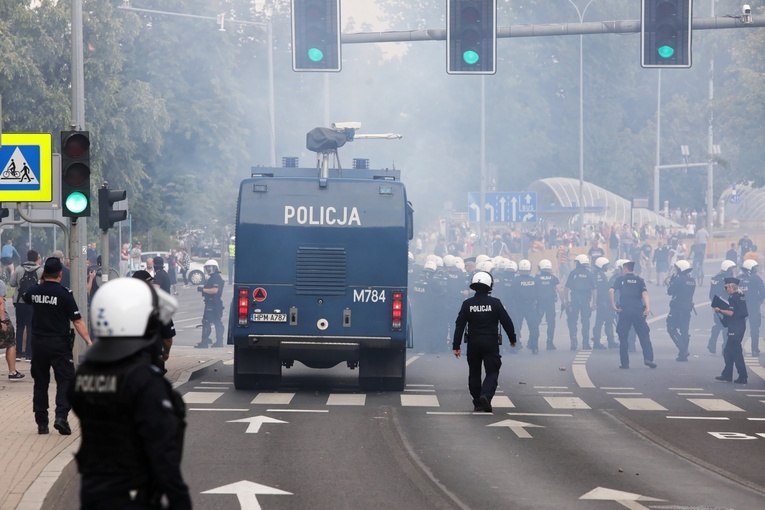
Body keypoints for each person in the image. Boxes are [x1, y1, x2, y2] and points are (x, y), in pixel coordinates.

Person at [69, 277, 191, 509]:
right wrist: (180, 500)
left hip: (93, 494)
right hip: (134, 496)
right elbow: (163, 453)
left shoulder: (84, 373)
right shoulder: (144, 381)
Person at [23, 257, 92, 435]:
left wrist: (41, 282)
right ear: (60, 273)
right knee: (66, 380)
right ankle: (61, 417)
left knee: (40, 382)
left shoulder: (34, 291)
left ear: (44, 273)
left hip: (38, 344)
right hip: (59, 344)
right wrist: (89, 341)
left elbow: (27, 297)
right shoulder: (64, 294)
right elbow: (77, 321)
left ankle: (41, 423)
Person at [452, 271, 516, 413]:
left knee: (474, 372)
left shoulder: (467, 304)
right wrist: (513, 338)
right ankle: (486, 395)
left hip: (473, 344)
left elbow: (460, 325)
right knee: (492, 371)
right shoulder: (495, 303)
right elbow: (507, 322)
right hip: (490, 343)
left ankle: (477, 402)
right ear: (490, 285)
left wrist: (456, 346)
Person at [610, 261, 657, 369]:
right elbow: (645, 294)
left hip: (624, 311)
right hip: (637, 311)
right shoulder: (639, 280)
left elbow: (611, 291)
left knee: (623, 336)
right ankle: (648, 359)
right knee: (644, 335)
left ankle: (625, 363)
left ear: (625, 269)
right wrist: (648, 308)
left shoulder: (620, 279)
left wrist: (613, 306)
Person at [132, 269, 177, 374]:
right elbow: (168, 339)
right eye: (150, 283)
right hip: (151, 357)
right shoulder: (159, 306)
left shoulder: (123, 304)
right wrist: (166, 353)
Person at [9, 249, 43, 361]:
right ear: (36, 259)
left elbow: (12, 283)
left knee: (19, 327)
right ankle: (29, 353)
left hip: (20, 302)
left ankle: (18, 353)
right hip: (33, 302)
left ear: (27, 257)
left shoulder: (19, 269)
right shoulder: (40, 271)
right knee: (31, 327)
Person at [714, 277, 748, 384]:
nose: (725, 289)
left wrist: (719, 310)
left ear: (731, 287)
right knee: (728, 351)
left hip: (736, 327)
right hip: (739, 326)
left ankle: (742, 376)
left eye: (726, 287)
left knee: (736, 352)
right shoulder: (739, 296)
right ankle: (727, 374)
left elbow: (730, 313)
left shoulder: (733, 298)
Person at [564, 254, 597, 350]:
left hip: (574, 300)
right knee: (586, 321)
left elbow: (566, 288)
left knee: (572, 320)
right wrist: (594, 303)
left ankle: (573, 339)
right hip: (586, 301)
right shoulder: (590, 274)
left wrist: (567, 301)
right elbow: (594, 290)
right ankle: (585, 343)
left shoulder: (573, 273)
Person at [666, 259, 696, 362]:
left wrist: (672, 281)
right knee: (684, 330)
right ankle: (683, 355)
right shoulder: (692, 280)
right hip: (687, 308)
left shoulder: (678, 279)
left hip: (677, 308)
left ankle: (683, 349)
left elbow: (670, 292)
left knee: (671, 328)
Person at [708, 260, 737, 354]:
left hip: (716, 305)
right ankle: (725, 348)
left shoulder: (715, 278)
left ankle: (712, 344)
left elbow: (711, 294)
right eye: (731, 268)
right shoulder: (729, 280)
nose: (733, 270)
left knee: (718, 326)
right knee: (726, 327)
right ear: (728, 269)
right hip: (726, 305)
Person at [195, 259, 225, 348]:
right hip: (212, 302)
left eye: (210, 267)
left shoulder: (216, 277)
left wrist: (202, 289)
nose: (208, 269)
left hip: (213, 303)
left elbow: (215, 290)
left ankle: (205, 342)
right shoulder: (212, 277)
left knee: (207, 322)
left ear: (215, 268)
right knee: (216, 322)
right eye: (207, 267)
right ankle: (216, 341)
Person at [0, 273, 24, 379]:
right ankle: (12, 371)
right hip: (2, 318)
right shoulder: (0, 284)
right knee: (10, 344)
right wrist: (3, 321)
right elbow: (0, 303)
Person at [738, 259, 764, 356]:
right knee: (754, 329)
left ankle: (737, 349)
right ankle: (754, 350)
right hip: (753, 307)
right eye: (754, 268)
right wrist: (760, 300)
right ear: (750, 269)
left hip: (740, 308)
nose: (755, 270)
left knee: (739, 329)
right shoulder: (756, 278)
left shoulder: (738, 279)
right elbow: (763, 291)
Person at [535, 259, 562, 351]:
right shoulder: (554, 278)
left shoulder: (537, 278)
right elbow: (560, 290)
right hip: (550, 304)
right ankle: (549, 343)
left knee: (535, 323)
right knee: (551, 323)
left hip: (539, 304)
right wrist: (564, 302)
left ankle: (533, 342)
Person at [514, 260, 540, 353]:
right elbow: (538, 293)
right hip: (531, 307)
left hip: (518, 308)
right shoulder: (534, 280)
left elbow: (512, 294)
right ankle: (534, 347)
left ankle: (515, 347)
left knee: (517, 327)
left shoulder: (515, 280)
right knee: (534, 327)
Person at [591, 257, 614, 350]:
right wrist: (603, 302)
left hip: (602, 301)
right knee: (602, 322)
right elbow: (600, 290)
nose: (607, 267)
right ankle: (598, 341)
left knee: (605, 321)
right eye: (606, 265)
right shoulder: (598, 275)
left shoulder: (599, 273)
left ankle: (610, 341)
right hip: (602, 301)